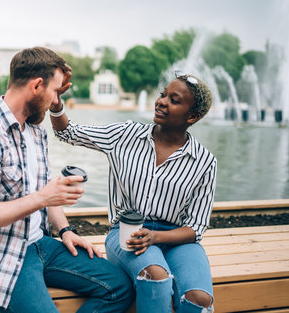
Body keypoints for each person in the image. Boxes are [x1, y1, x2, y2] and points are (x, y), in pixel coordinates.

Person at [0, 47, 134, 313]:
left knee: (120, 287)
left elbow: (45, 189)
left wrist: (65, 231)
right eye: (54, 92)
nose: (55, 102)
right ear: (37, 86)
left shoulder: (36, 132)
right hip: (0, 254)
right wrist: (42, 198)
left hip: (41, 244)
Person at [50, 70, 216, 313]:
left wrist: (157, 237)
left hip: (177, 239)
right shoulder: (125, 135)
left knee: (199, 299)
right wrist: (56, 105)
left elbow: (196, 227)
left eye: (174, 100)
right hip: (128, 232)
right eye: (163, 95)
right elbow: (68, 132)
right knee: (156, 276)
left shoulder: (204, 161)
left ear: (192, 116)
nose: (161, 101)